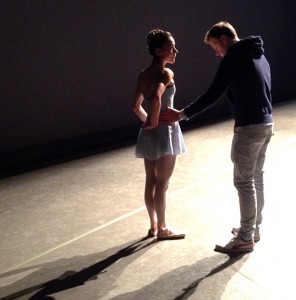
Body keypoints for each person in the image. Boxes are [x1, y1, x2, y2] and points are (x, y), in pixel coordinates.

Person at [159, 21, 273, 253]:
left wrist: (182, 114)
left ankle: (244, 238)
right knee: (256, 178)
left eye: (215, 46)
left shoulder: (234, 56)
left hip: (249, 128)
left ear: (223, 38)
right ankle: (253, 229)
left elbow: (213, 92)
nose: (216, 52)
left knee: (243, 182)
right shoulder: (259, 55)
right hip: (267, 124)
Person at [132, 29, 186, 240]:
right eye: (171, 48)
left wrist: (148, 121)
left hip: (149, 134)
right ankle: (162, 229)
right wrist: (155, 121)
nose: (175, 51)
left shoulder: (143, 74)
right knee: (162, 184)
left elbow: (135, 106)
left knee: (150, 181)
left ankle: (154, 224)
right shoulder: (166, 73)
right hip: (165, 132)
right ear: (158, 51)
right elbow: (155, 98)